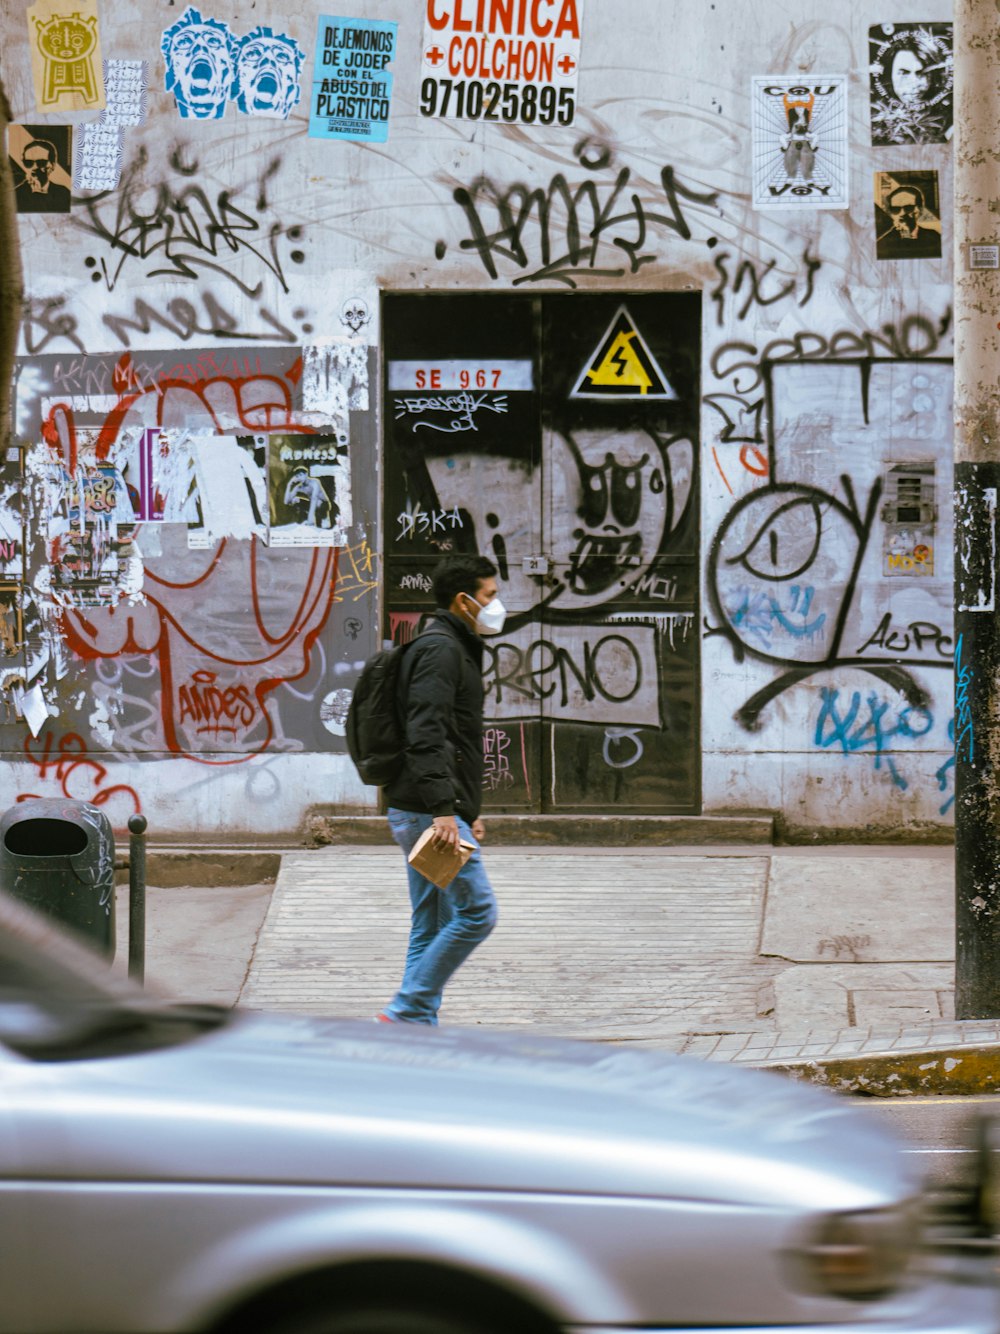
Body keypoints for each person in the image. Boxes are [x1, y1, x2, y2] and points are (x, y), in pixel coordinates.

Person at [378, 553, 504, 1025]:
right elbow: (425, 732)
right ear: (464, 601)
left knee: (430, 920)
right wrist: (444, 811)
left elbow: (455, 738)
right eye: (490, 596)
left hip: (426, 810)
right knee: (477, 913)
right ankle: (407, 1010)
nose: (496, 604)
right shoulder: (441, 650)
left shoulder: (453, 644)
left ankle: (413, 1028)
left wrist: (465, 809)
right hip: (427, 815)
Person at [876, 184, 941, 260]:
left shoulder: (934, 238)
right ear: (891, 213)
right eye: (896, 209)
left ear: (920, 210)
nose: (902, 213)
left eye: (908, 208)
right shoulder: (883, 244)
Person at [13, 139, 70, 214]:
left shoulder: (64, 194)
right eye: (28, 163)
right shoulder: (15, 196)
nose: (34, 167)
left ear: (52, 165)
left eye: (41, 162)